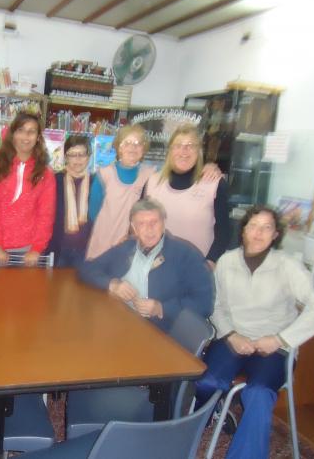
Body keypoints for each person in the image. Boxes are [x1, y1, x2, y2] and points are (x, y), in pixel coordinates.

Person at [194, 205, 314, 459]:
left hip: (273, 348)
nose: (258, 233)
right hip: (233, 340)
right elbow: (215, 306)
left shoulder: (288, 266)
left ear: (275, 235)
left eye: (266, 228)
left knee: (257, 393)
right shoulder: (227, 261)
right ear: (243, 230)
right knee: (206, 383)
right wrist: (231, 335)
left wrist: (280, 339)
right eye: (253, 226)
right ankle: (211, 413)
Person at [79, 198, 214, 332]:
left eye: (154, 222)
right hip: (118, 320)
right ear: (134, 228)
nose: (149, 229)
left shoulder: (186, 254)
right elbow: (87, 268)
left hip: (159, 332)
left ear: (163, 223)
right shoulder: (126, 248)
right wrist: (112, 285)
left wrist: (162, 308)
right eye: (141, 223)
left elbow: (204, 303)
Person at [0, 112, 56, 266]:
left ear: (38, 137)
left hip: (29, 251)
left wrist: (37, 248)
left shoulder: (45, 173)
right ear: (12, 134)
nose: (26, 136)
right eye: (21, 130)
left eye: (31, 131)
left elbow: (46, 214)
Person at [146, 124, 229, 267]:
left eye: (190, 145)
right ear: (170, 150)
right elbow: (140, 225)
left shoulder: (214, 184)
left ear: (199, 151)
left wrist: (210, 262)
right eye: (178, 145)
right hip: (156, 268)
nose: (184, 151)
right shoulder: (152, 182)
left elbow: (224, 231)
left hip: (197, 269)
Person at [85, 125, 155, 260]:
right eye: (127, 143)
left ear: (143, 149)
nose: (132, 148)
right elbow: (93, 213)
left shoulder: (150, 174)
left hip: (134, 245)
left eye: (137, 143)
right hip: (104, 244)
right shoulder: (104, 174)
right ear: (119, 147)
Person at [47, 135, 94, 267]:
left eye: (82, 154)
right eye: (72, 154)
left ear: (89, 157)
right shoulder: (54, 181)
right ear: (66, 157)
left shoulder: (97, 183)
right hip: (58, 249)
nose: (77, 159)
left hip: (87, 251)